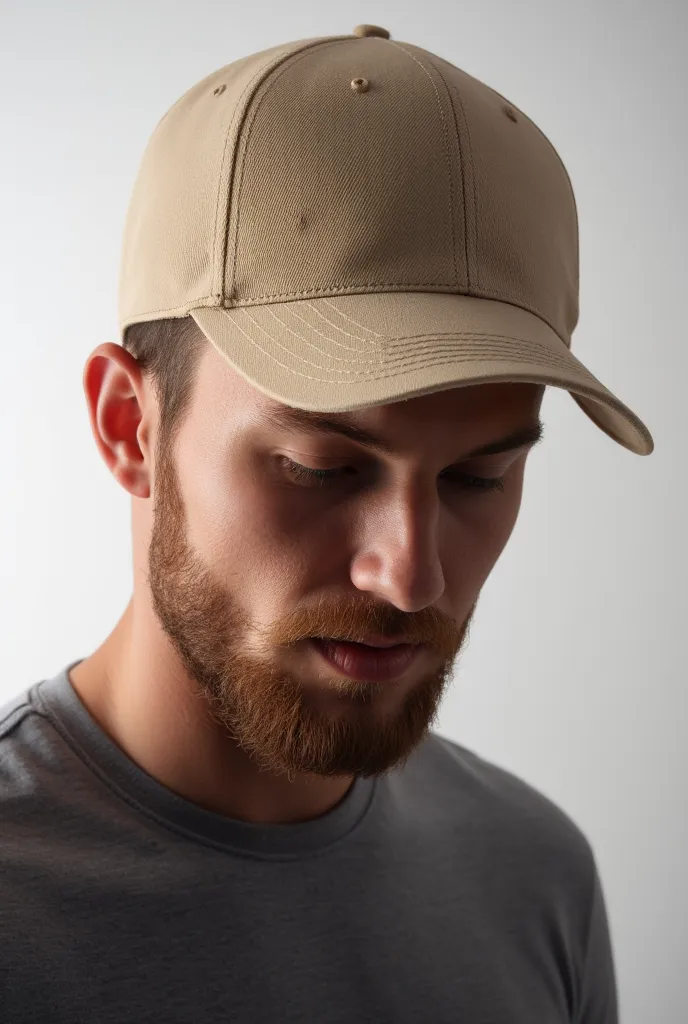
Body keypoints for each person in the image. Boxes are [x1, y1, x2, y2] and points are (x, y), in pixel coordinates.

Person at [0, 23, 653, 1024]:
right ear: (129, 425)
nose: (411, 576)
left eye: (480, 477)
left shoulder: (535, 878)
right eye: (323, 467)